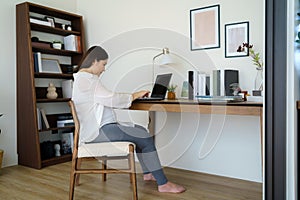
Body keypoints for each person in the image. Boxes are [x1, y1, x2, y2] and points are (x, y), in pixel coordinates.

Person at [72, 46, 185, 193]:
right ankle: (163, 183)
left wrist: (133, 96)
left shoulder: (84, 79)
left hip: (100, 128)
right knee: (145, 137)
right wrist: (134, 95)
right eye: (103, 64)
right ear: (94, 61)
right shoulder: (87, 80)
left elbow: (106, 98)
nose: (104, 69)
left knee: (140, 131)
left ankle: (148, 173)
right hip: (99, 131)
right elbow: (110, 98)